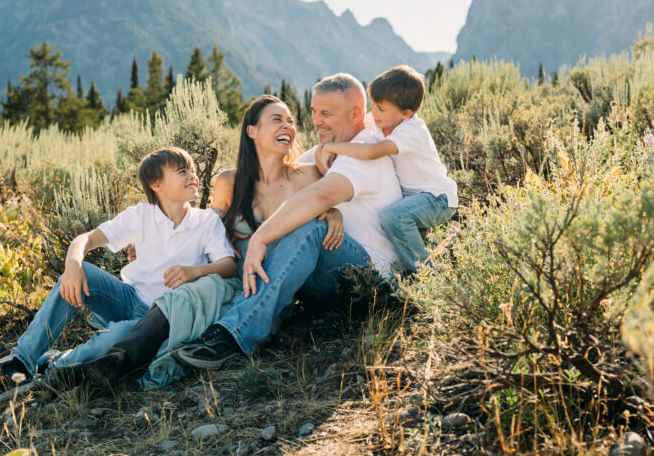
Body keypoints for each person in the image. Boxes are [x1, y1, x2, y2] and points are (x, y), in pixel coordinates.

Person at [75, 95, 345, 382]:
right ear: (251, 130)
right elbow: (203, 228)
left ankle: (218, 340)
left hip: (273, 286)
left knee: (196, 303)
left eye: (290, 121)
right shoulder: (230, 182)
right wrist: (151, 245)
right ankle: (107, 365)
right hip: (232, 282)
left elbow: (321, 214)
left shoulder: (308, 176)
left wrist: (335, 212)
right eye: (277, 119)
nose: (288, 126)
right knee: (186, 300)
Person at [0, 147, 236, 404]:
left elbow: (229, 265)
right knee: (83, 273)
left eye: (192, 170)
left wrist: (196, 271)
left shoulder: (206, 221)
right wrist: (73, 266)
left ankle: (52, 365)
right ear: (157, 185)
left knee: (113, 339)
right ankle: (19, 363)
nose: (193, 176)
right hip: (128, 299)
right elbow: (85, 239)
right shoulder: (140, 215)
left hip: (160, 319)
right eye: (182, 171)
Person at [174, 73, 403, 369]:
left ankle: (234, 335)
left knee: (309, 226)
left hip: (371, 280)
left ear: (357, 114)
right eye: (313, 113)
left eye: (327, 114)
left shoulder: (365, 153)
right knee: (286, 230)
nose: (316, 121)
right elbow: (294, 166)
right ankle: (225, 319)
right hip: (327, 280)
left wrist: (260, 238)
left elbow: (318, 198)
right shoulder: (332, 150)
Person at [315, 65, 457, 271]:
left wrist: (330, 147)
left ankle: (427, 276)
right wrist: (321, 148)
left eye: (381, 109)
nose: (373, 113)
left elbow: (371, 151)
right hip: (414, 198)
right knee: (401, 221)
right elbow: (355, 134)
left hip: (437, 198)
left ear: (405, 113)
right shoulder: (381, 119)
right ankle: (431, 261)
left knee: (394, 217)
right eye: (373, 105)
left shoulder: (411, 131)